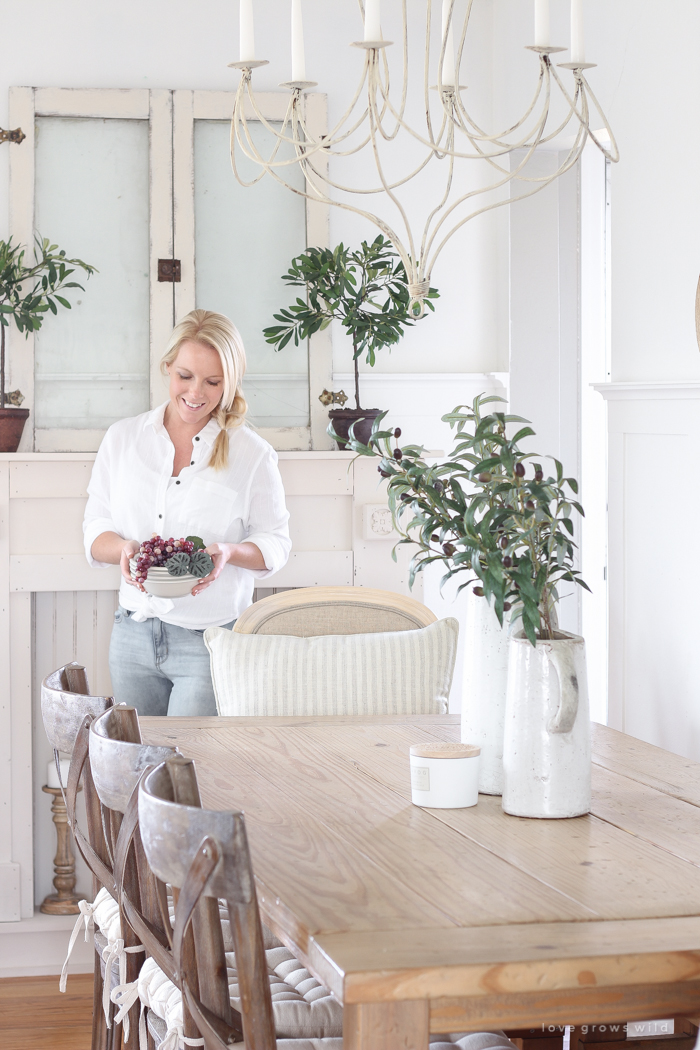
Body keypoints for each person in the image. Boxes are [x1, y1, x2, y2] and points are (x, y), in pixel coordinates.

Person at [83, 309, 291, 716]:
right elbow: (96, 525)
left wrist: (230, 552)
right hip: (132, 634)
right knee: (137, 766)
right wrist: (124, 548)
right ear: (166, 369)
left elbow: (276, 543)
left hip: (209, 641)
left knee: (191, 769)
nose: (196, 393)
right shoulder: (122, 439)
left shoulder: (252, 454)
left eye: (213, 382)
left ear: (230, 383)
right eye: (185, 376)